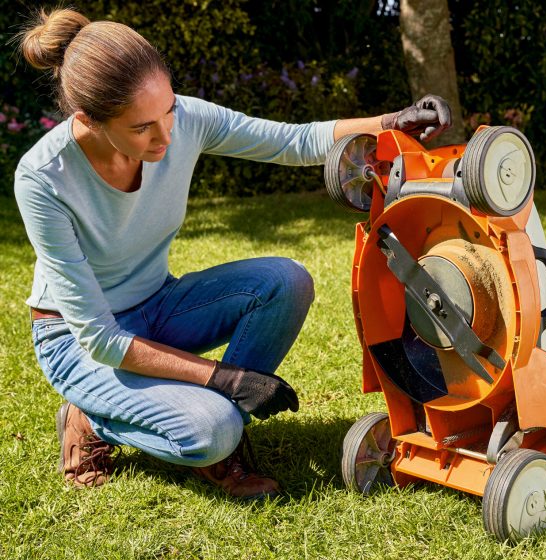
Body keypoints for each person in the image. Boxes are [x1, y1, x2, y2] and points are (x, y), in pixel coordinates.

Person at [15, 7, 451, 499]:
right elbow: (101, 338)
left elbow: (293, 139)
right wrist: (226, 377)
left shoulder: (184, 121)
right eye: (142, 128)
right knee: (212, 430)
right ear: (88, 120)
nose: (166, 136)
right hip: (77, 340)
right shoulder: (43, 178)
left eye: (169, 111)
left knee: (286, 282)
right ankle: (94, 421)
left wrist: (392, 122)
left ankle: (216, 421)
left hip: (158, 304)